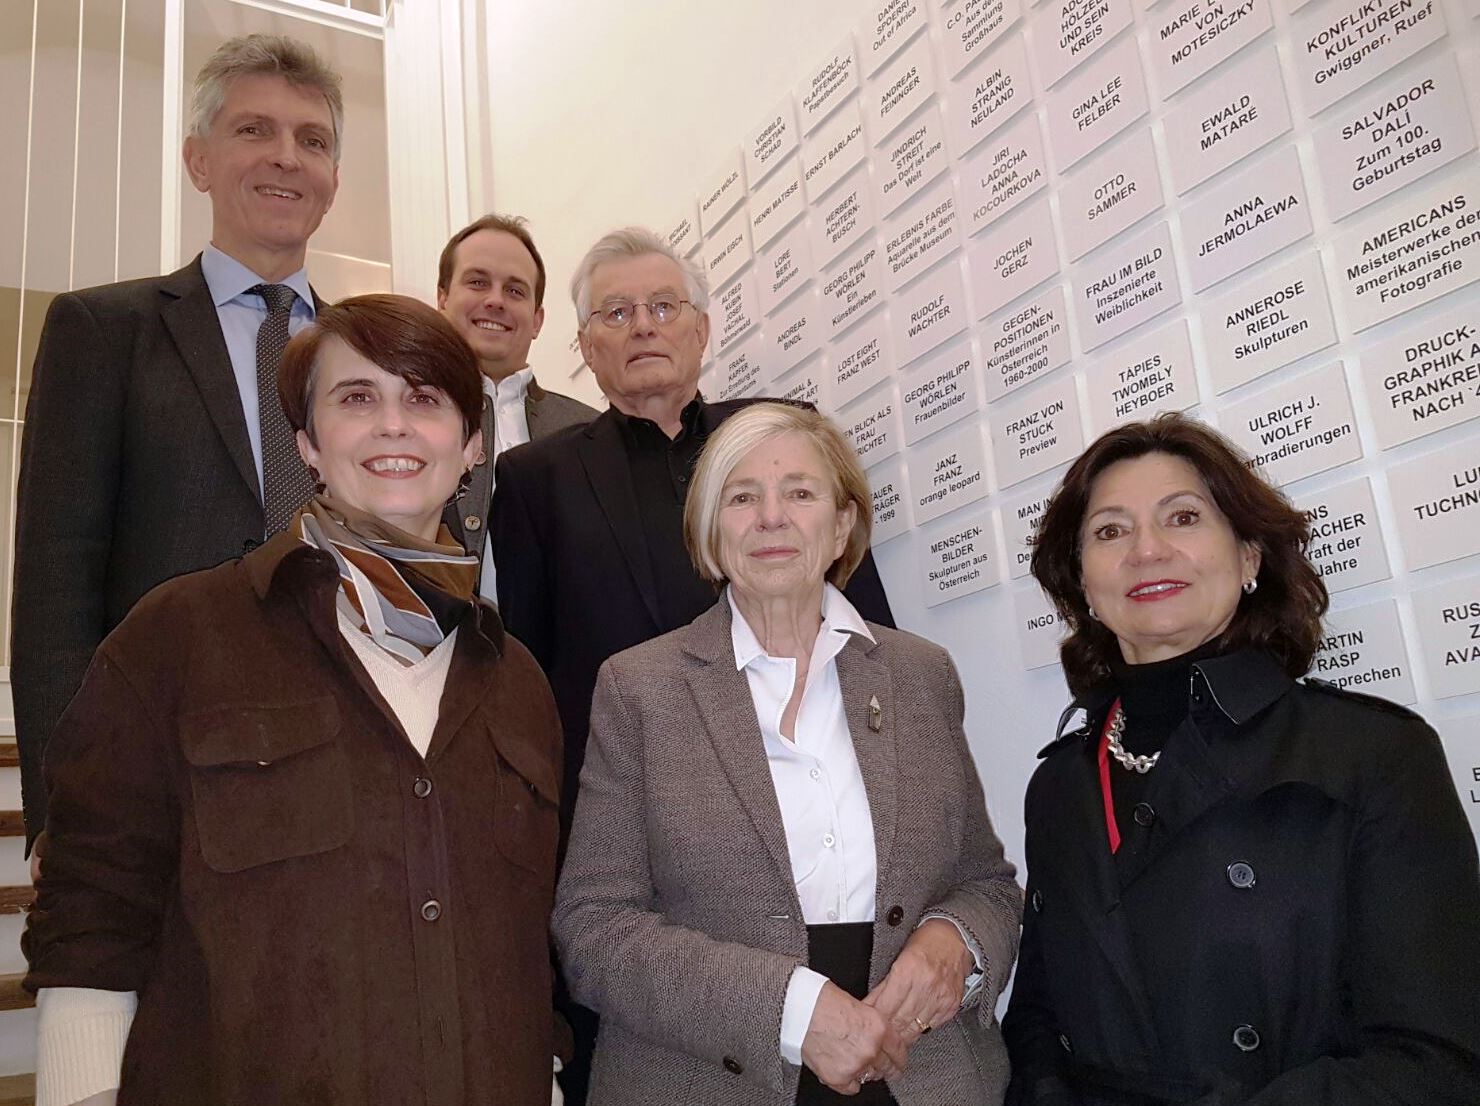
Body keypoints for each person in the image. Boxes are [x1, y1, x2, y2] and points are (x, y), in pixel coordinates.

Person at [24, 295, 565, 1106]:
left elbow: (526, 944)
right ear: (308, 443)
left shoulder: (517, 679)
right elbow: (91, 911)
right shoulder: (178, 636)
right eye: (357, 399)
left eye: (423, 399)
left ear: (472, 443)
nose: (393, 425)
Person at [493, 227, 895, 1102]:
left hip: (808, 802)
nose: (643, 326)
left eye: (663, 307)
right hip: (637, 825)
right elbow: (524, 666)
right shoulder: (533, 478)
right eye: (616, 312)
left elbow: (865, 624)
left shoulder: (782, 442)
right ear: (586, 345)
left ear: (703, 330)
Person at [1004, 412, 1480, 1105]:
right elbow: (1039, 1021)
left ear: (1250, 556)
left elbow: (1438, 1059)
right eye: (1110, 531)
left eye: (1184, 517)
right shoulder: (1058, 784)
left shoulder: (1373, 754)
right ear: (1082, 584)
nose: (1147, 550)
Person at [553, 401, 1021, 1105]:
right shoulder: (638, 688)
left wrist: (958, 943)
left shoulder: (922, 674)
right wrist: (793, 1010)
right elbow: (593, 929)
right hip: (706, 1077)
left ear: (841, 526)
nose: (772, 517)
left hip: (921, 1071)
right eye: (742, 498)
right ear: (711, 537)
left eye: (800, 493)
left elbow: (987, 882)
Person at [12, 34, 343, 848]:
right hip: (162, 767)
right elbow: (58, 584)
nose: (286, 158)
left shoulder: (364, 359)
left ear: (333, 179)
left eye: (313, 140)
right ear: (199, 160)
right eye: (253, 130)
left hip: (343, 759)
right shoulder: (103, 331)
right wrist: (67, 813)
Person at [435, 213, 597, 590]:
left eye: (515, 291)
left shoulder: (589, 431)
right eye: (477, 282)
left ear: (537, 319)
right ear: (442, 298)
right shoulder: (400, 418)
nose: (495, 301)